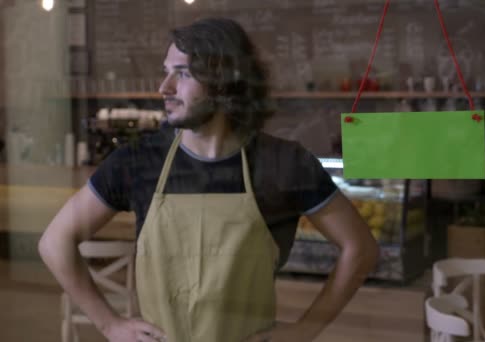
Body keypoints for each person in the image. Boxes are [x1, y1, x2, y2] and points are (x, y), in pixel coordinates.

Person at [39, 17, 378, 342]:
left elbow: (359, 247)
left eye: (182, 74)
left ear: (224, 81)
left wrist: (306, 330)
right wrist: (109, 324)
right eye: (166, 72)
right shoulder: (138, 161)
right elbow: (55, 242)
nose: (164, 88)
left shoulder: (284, 164)